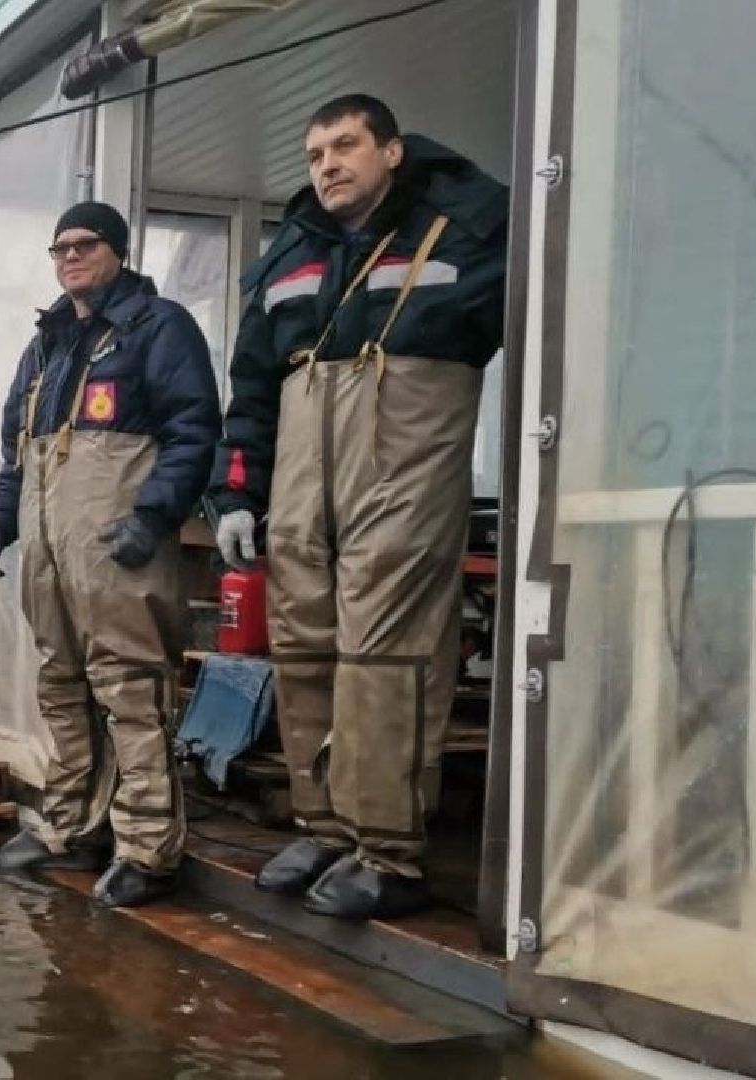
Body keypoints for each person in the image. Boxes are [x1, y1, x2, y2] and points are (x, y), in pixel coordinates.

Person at [206, 95, 508, 919]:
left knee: (385, 654)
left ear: (392, 151)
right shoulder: (292, 254)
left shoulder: (466, 230)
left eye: (344, 146)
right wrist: (235, 491)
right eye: (315, 154)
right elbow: (252, 386)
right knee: (302, 648)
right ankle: (327, 829)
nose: (328, 165)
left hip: (402, 470)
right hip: (303, 477)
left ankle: (388, 851)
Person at [0, 201, 221, 908]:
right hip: (51, 551)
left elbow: (194, 430)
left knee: (131, 690)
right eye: (60, 249)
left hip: (118, 548)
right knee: (62, 685)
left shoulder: (157, 327)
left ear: (117, 250)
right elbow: (18, 454)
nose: (71, 257)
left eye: (85, 244)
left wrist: (153, 515)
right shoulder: (45, 348)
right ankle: (73, 828)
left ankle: (147, 848)